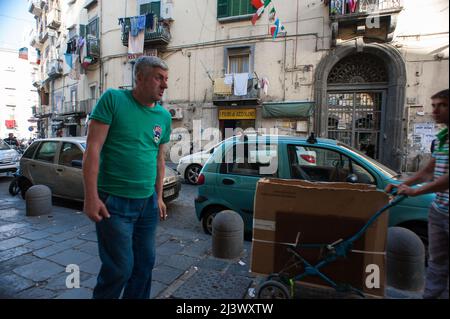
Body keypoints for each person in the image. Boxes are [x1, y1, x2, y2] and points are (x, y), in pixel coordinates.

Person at [83, 56, 172, 299]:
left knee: (144, 267)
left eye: (166, 79)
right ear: (140, 77)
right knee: (119, 268)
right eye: (158, 78)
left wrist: (160, 197)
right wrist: (90, 197)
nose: (164, 85)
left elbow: (159, 159)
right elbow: (93, 149)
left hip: (148, 204)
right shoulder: (113, 99)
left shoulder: (164, 117)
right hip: (114, 203)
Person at [386, 89, 449, 299]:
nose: (436, 110)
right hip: (439, 210)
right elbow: (428, 171)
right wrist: (401, 183)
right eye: (434, 105)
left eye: (443, 105)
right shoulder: (442, 137)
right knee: (436, 262)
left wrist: (415, 191)